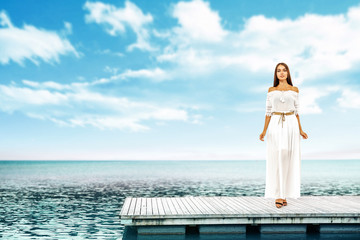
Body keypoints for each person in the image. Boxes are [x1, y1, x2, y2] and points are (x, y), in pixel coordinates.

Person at [259, 62, 308, 208]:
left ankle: (284, 194)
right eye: (279, 70)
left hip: (291, 123)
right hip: (275, 123)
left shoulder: (294, 90)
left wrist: (301, 130)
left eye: (284, 70)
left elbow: (297, 112)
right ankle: (279, 195)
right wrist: (263, 131)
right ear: (276, 74)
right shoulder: (271, 90)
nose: (281, 73)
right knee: (278, 155)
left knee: (288, 157)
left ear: (288, 73)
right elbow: (268, 112)